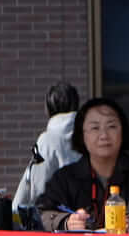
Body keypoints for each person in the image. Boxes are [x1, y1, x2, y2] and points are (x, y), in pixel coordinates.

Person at [34, 97, 129, 232]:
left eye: (111, 126)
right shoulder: (64, 178)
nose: (104, 135)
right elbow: (42, 213)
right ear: (82, 135)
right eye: (95, 128)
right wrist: (66, 222)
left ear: (122, 132)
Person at [12, 81, 80, 221]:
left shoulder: (48, 140)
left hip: (55, 222)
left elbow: (37, 188)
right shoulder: (88, 136)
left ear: (48, 108)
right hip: (87, 218)